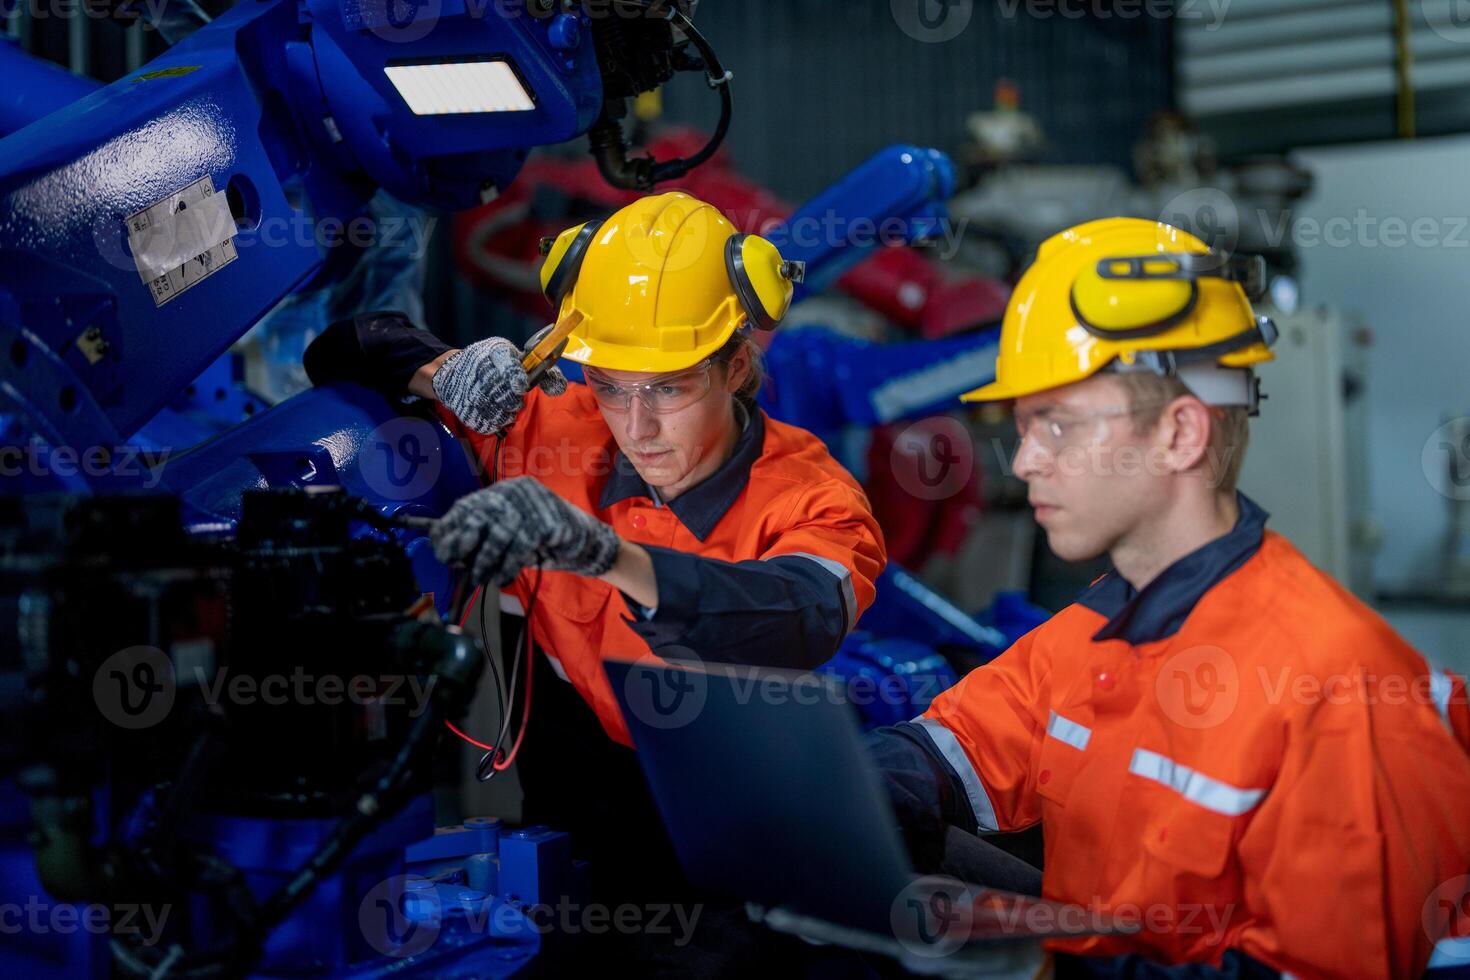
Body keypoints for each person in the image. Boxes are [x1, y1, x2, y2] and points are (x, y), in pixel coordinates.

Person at [869, 217, 1470, 978]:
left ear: (1181, 435)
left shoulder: (1339, 686)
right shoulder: (1098, 624)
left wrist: (1044, 967)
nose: (1023, 460)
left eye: (1055, 424)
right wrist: (839, 787)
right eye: (1021, 426)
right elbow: (955, 750)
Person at [304, 191, 886, 920]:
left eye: (668, 388)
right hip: (570, 808)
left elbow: (803, 614)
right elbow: (346, 348)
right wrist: (443, 371)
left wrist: (606, 555)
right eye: (610, 386)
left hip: (736, 828)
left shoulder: (814, 497)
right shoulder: (549, 430)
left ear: (737, 365)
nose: (637, 427)